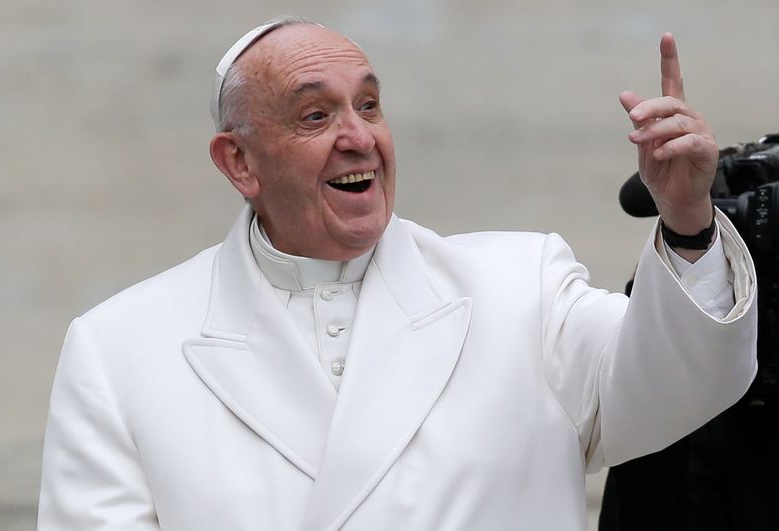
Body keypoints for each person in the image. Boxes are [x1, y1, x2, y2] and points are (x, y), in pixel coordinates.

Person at [38, 17, 757, 531]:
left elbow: (682, 384)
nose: (360, 136)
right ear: (239, 162)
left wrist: (686, 219)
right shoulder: (120, 349)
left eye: (370, 105)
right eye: (316, 114)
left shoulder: (520, 286)